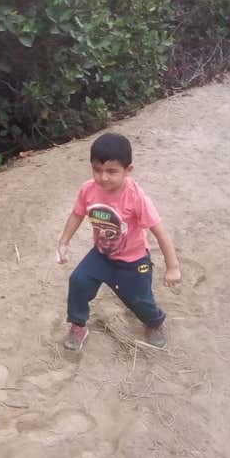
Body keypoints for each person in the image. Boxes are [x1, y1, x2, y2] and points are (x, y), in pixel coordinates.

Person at [56, 133, 180, 350]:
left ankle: (154, 323)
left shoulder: (136, 198)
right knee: (78, 281)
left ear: (128, 170)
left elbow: (160, 232)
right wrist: (64, 241)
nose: (103, 177)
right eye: (97, 169)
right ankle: (78, 325)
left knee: (140, 300)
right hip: (102, 254)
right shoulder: (88, 190)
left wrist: (173, 267)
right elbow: (77, 214)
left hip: (133, 260)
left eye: (112, 171)